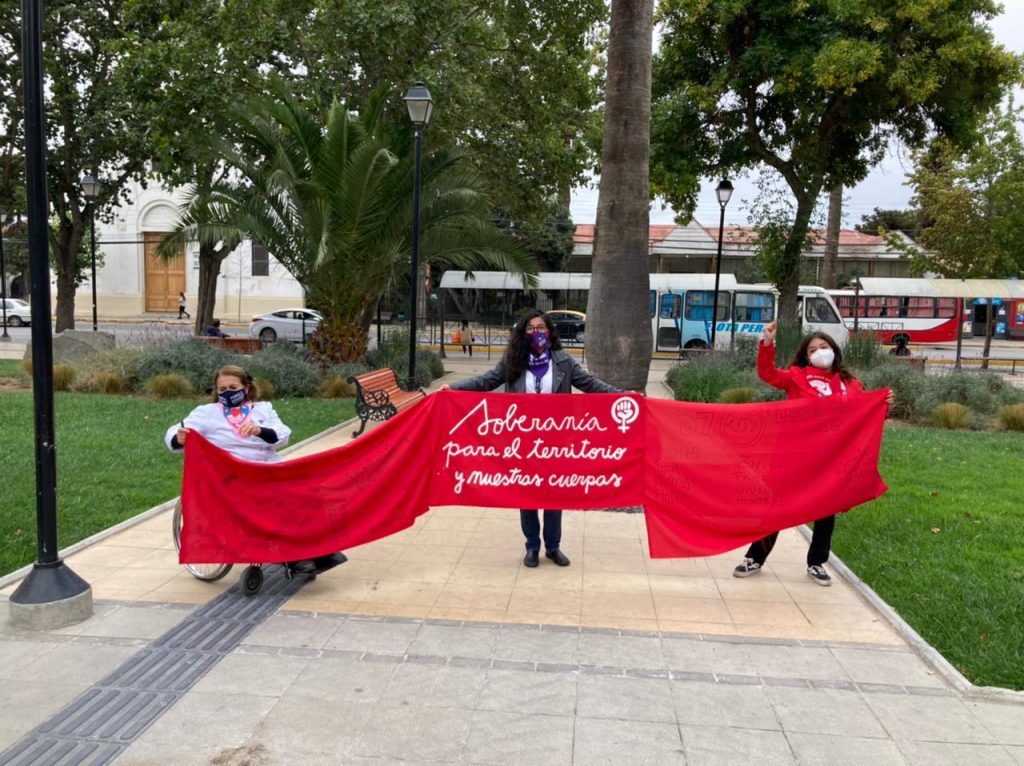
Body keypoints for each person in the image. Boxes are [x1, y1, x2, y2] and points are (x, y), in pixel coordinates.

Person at [446, 309, 622, 568]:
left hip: (556, 442)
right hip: (522, 441)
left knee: (553, 494)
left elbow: (591, 384)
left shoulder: (563, 362)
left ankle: (553, 547)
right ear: (522, 333)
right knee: (526, 493)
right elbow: (486, 381)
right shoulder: (513, 362)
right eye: (530, 328)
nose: (536, 333)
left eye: (541, 327)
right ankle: (532, 547)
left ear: (549, 331)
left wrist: (622, 395)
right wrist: (454, 388)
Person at [733, 321, 893, 586]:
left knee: (825, 509)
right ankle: (755, 557)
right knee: (776, 505)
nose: (819, 352)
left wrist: (884, 405)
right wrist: (768, 344)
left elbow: (863, 419)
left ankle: (816, 562)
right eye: (812, 349)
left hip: (831, 458)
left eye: (824, 346)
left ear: (834, 350)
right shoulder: (796, 376)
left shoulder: (851, 385)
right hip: (794, 454)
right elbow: (768, 374)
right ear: (805, 357)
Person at [164, 364, 345, 576]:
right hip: (232, 474)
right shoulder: (206, 414)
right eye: (222, 389)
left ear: (247, 387)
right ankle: (293, 555)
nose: (228, 392)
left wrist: (259, 430)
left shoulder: (263, 409)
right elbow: (174, 432)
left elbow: (282, 435)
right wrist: (178, 437)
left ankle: (319, 548)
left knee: (308, 492)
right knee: (274, 498)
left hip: (268, 468)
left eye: (233, 386)